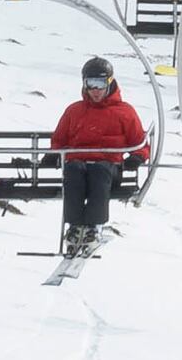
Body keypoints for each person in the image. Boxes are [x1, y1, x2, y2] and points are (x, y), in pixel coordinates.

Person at [46, 57, 147, 257]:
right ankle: (75, 226)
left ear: (110, 83)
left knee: (99, 171)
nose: (95, 90)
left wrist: (137, 157)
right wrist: (54, 155)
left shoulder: (124, 112)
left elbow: (140, 142)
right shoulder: (75, 111)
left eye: (100, 84)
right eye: (90, 84)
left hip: (108, 167)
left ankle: (93, 227)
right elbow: (59, 139)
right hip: (79, 164)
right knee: (74, 170)